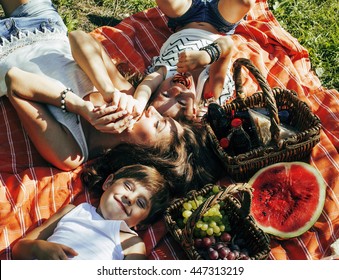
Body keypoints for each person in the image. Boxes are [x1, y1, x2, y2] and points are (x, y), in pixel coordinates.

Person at [0, 0, 225, 195]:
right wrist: (108, 89)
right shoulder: (125, 93)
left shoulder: (72, 153)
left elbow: (16, 81)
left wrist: (81, 108)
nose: (152, 110)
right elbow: (78, 38)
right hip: (42, 24)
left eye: (157, 123)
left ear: (142, 154)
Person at [69, 0, 255, 122]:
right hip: (221, 24)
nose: (176, 89)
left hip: (185, 18)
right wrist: (207, 56)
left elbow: (146, 86)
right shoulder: (209, 94)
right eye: (181, 101)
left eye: (166, 95)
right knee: (244, 2)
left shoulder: (166, 75)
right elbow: (227, 46)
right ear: (195, 112)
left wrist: (139, 104)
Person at [11, 164, 171, 260]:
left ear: (141, 223)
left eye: (141, 203)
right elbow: (19, 248)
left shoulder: (131, 242)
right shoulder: (73, 210)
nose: (130, 198)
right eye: (128, 186)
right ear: (108, 183)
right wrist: (38, 248)